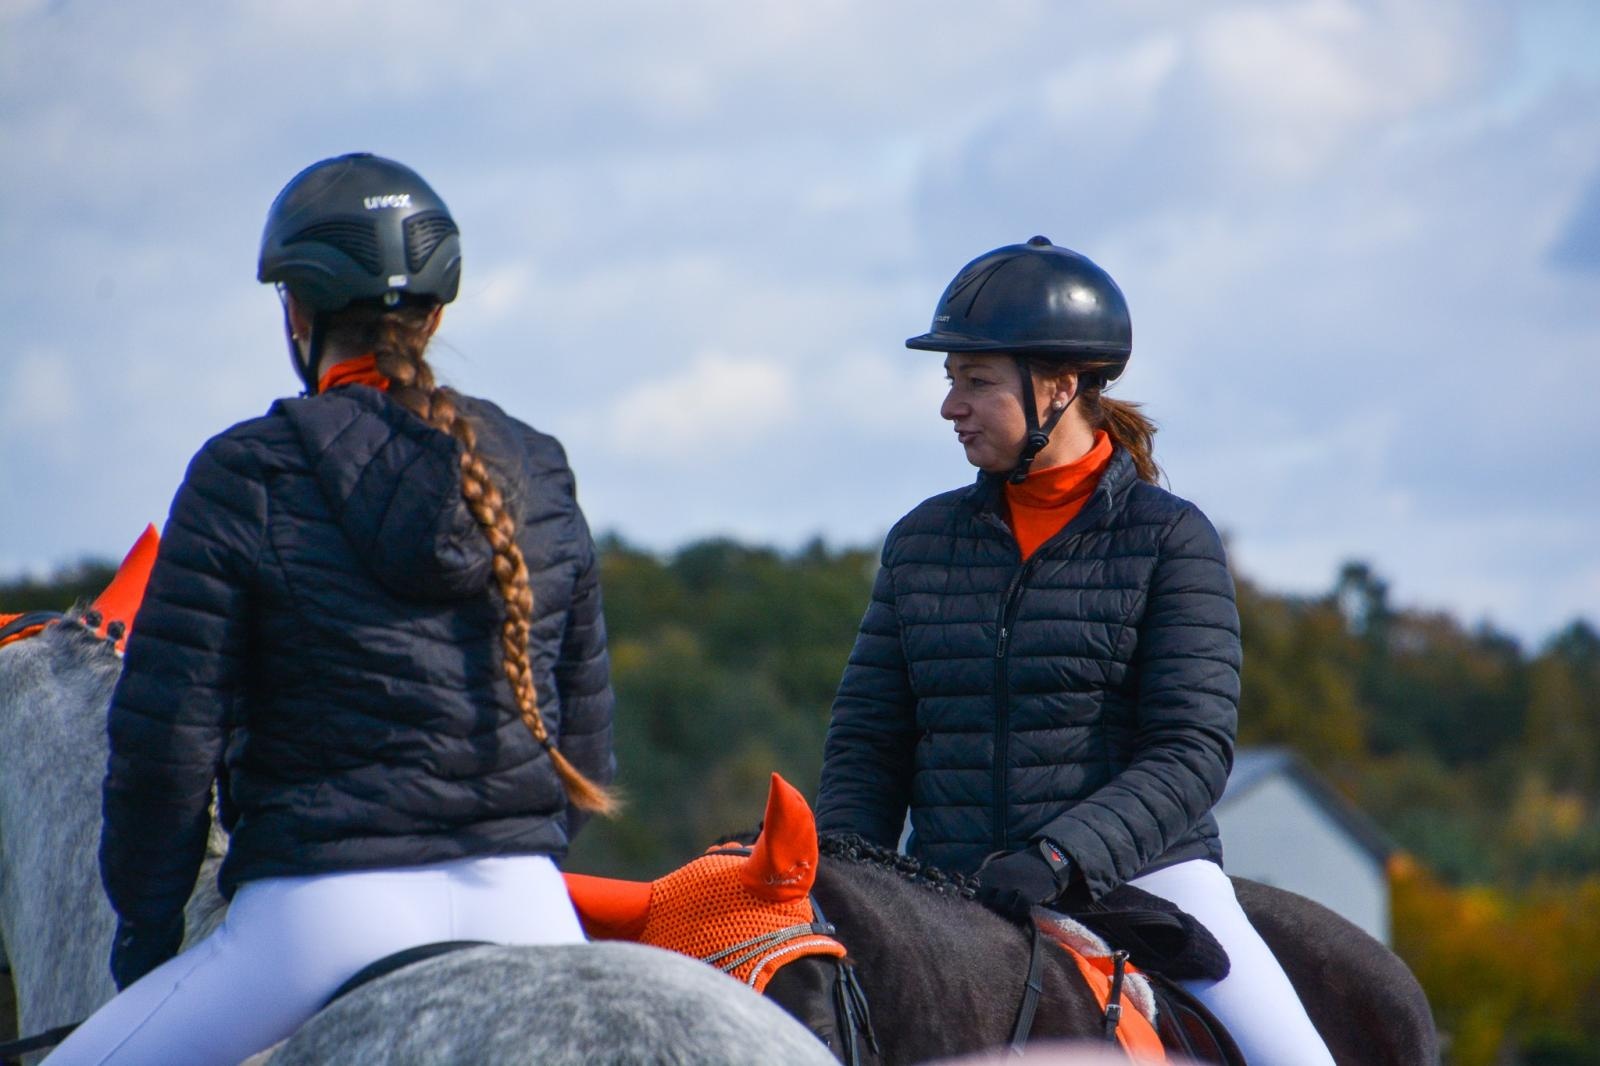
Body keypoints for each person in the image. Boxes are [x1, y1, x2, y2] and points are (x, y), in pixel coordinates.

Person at [48, 153, 617, 1066]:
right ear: (437, 315)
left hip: (313, 924)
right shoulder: (538, 468)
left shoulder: (246, 475)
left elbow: (165, 754)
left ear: (297, 314)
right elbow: (583, 748)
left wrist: (146, 943)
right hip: (528, 909)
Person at [815, 236, 1334, 1063]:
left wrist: (1060, 856)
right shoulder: (920, 542)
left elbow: (1191, 750)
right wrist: (847, 879)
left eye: (975, 382)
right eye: (950, 381)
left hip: (1142, 881)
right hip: (949, 894)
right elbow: (869, 740)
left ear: (1059, 387)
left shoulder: (1171, 540)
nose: (951, 407)